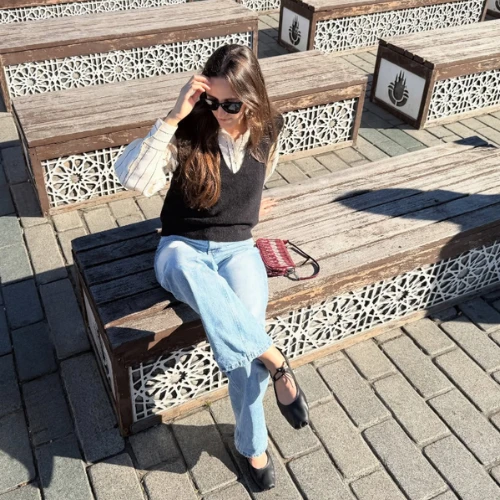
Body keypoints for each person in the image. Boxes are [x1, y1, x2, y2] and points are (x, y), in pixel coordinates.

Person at [114, 44, 309, 491]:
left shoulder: (270, 129)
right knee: (200, 280)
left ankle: (252, 445)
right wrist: (172, 116)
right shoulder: (188, 129)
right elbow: (133, 179)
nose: (219, 111)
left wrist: (250, 207)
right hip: (179, 248)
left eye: (231, 104)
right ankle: (276, 360)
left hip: (238, 249)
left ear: (252, 100)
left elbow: (261, 174)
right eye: (211, 100)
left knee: (242, 344)